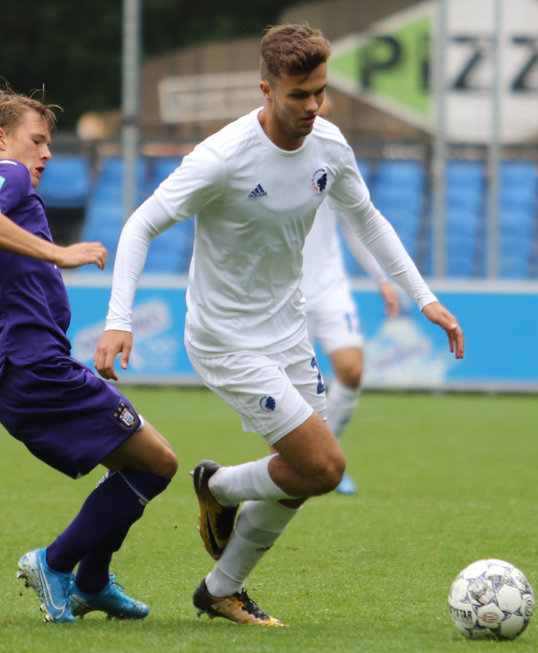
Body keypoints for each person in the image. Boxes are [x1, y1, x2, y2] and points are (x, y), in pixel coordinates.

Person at [94, 24, 464, 626]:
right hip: (225, 338)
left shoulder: (330, 146)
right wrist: (118, 320)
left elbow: (367, 219)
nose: (312, 107)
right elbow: (139, 225)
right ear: (266, 89)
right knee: (326, 466)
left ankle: (221, 588)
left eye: (320, 92)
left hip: (287, 331)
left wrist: (423, 298)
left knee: (298, 475)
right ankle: (216, 489)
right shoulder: (222, 157)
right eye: (299, 95)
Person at [0, 86, 177, 623]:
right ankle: (56, 563)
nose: (46, 153)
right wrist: (61, 254)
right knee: (159, 464)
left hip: (7, 374)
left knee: (131, 463)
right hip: (33, 365)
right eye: (38, 140)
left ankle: (93, 583)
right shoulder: (7, 177)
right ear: (0, 138)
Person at [301, 96, 400, 496]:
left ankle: (329, 455)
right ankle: (298, 464)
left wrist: (381, 276)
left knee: (352, 370)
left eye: (323, 112)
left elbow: (358, 223)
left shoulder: (334, 158)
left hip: (329, 284)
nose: (315, 118)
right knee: (294, 391)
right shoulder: (266, 155)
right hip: (283, 292)